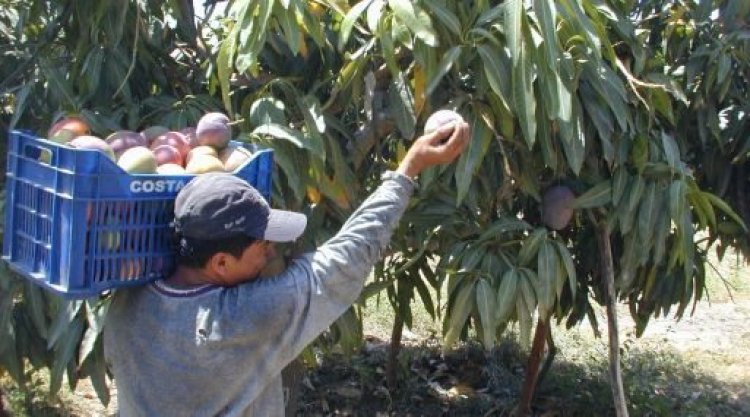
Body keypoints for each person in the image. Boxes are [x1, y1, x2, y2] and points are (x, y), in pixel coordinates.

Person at [104, 120, 470, 416]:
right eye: (261, 245)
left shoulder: (128, 296)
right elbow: (348, 256)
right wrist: (409, 168)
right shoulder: (242, 318)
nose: (272, 249)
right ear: (220, 262)